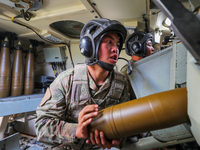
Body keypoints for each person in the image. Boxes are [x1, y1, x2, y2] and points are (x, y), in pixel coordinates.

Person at [35, 18, 129, 150]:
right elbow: (42, 127)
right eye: (109, 42)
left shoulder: (121, 83)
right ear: (89, 47)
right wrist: (76, 131)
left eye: (118, 44)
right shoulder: (66, 80)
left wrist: (116, 139)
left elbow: (126, 123)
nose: (116, 49)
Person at [120, 31, 154, 99]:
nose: (153, 49)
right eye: (149, 45)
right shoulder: (128, 70)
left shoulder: (144, 66)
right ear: (138, 48)